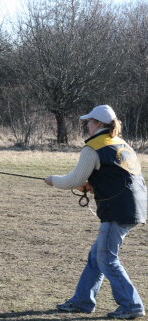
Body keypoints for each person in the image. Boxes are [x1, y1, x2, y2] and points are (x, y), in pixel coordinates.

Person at [45, 105, 147, 319]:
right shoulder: (120, 143)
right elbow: (118, 175)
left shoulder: (94, 147)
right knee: (97, 256)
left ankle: (132, 305)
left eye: (89, 122)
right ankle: (83, 300)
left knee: (106, 258)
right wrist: (92, 185)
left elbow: (72, 181)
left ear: (98, 124)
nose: (87, 126)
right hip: (135, 206)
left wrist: (53, 180)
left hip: (117, 210)